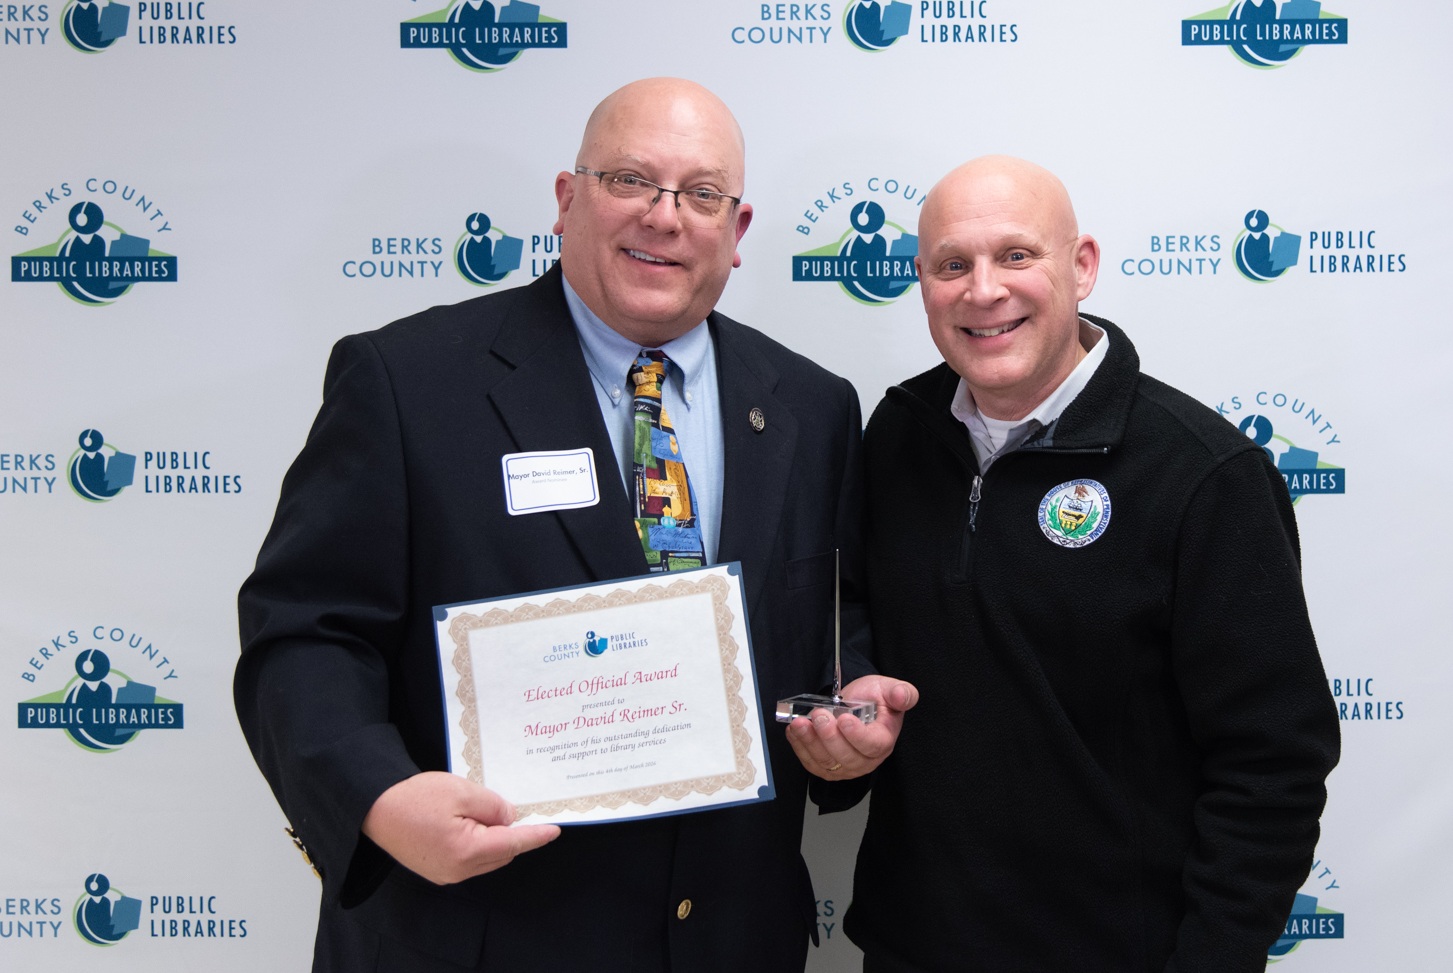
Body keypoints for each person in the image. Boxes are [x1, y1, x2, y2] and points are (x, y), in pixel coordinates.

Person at [234, 77, 914, 973]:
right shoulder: (407, 382)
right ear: (566, 200)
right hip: (477, 934)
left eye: (702, 194)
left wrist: (844, 720)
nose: (664, 217)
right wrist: (379, 796)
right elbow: (304, 636)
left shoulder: (811, 407)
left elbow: (827, 624)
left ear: (736, 232)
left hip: (727, 938)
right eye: (630, 179)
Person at [844, 156, 1339, 972]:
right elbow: (848, 617)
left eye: (1015, 255)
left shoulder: (1202, 474)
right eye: (950, 265)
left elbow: (1272, 763)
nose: (982, 290)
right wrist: (844, 716)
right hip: (910, 945)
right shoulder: (896, 433)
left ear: (1080, 268)